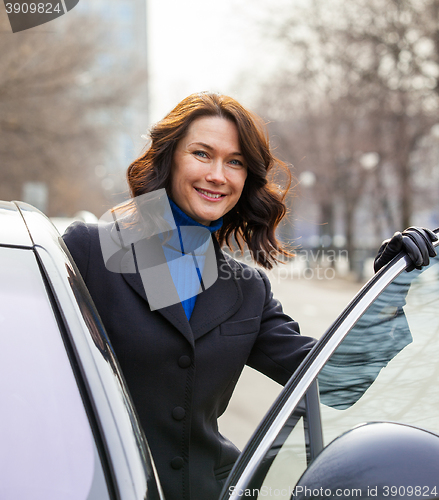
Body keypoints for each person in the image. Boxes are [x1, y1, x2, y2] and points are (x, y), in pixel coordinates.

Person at [63, 92, 437, 500]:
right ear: (168, 159)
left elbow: (335, 382)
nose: (218, 175)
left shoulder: (246, 288)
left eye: (235, 161)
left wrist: (390, 290)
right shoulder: (88, 252)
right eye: (202, 154)